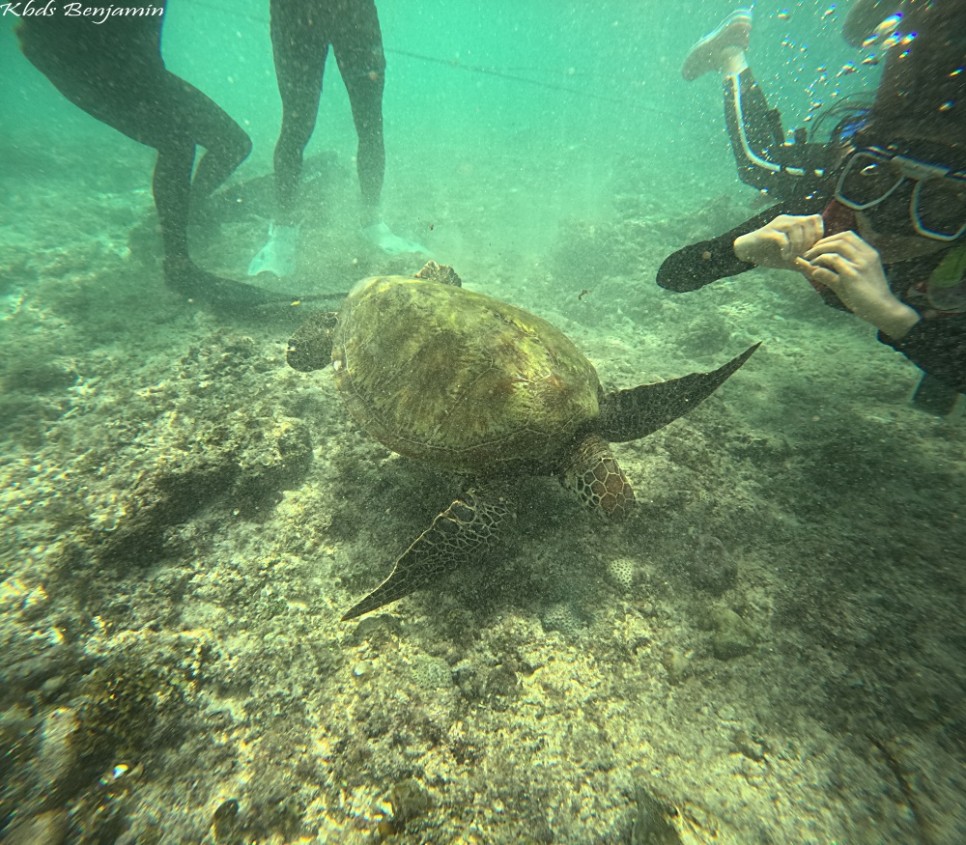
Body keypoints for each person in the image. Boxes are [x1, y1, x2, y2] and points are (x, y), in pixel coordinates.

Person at [660, 0, 965, 413]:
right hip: (881, 137)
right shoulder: (830, 206)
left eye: (941, 207)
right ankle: (730, 53)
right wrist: (739, 251)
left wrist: (895, 317)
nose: (889, 224)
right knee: (760, 160)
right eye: (872, 182)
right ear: (851, 168)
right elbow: (673, 276)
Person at [16, 0, 293, 312]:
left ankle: (184, 213)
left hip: (135, 69)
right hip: (92, 67)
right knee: (178, 143)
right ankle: (178, 263)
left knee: (232, 143)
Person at [248, 0, 427, 279]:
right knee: (297, 125)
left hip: (353, 12)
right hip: (295, 12)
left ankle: (371, 221)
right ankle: (282, 228)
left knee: (369, 124)